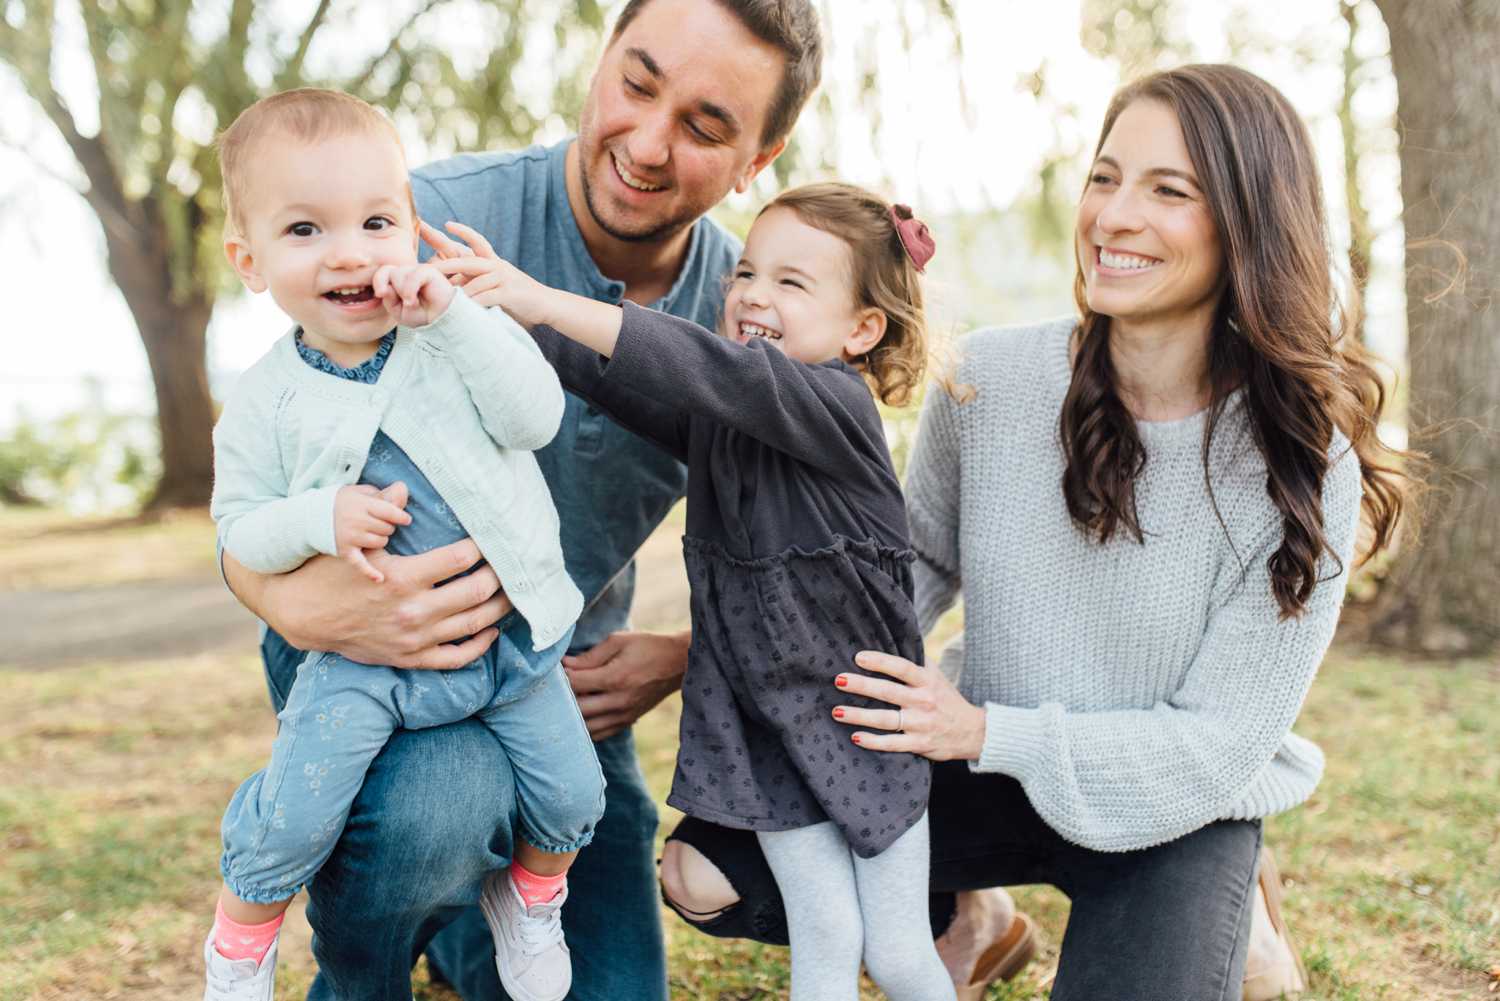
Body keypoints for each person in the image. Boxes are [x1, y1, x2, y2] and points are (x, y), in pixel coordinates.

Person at [659, 63, 1413, 1001]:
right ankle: (967, 914)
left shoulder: (1307, 459)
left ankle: (1237, 913)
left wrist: (984, 727)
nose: (1113, 215)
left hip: (1172, 805)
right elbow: (905, 567)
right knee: (709, 871)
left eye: (1167, 190)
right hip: (981, 763)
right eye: (1105, 177)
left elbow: (1219, 743)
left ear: (1249, 222)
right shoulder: (990, 381)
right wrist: (723, 654)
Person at [212, 3, 919, 999]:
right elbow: (267, 444)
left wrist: (681, 658)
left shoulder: (753, 310)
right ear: (601, 61)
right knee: (429, 816)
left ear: (761, 155)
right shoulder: (404, 215)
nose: (647, 140)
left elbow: (829, 547)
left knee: (610, 984)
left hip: (561, 686)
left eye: (706, 125)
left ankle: (465, 932)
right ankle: (374, 949)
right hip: (376, 659)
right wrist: (289, 599)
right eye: (637, 82)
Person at [429, 182, 957, 1001]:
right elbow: (630, 378)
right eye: (746, 271)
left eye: (791, 281)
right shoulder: (729, 415)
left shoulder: (833, 404)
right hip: (770, 728)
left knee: (893, 950)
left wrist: (546, 298)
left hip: (865, 724)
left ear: (862, 329)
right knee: (824, 932)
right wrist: (511, 313)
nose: (752, 293)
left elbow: (703, 365)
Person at [203, 89, 604, 1001]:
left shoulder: (450, 336)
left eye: (377, 222)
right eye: (304, 230)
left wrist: (459, 319)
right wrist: (321, 518)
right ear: (249, 260)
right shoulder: (267, 400)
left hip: (510, 643)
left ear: (413, 230)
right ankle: (242, 935)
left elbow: (535, 417)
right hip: (360, 657)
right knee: (300, 812)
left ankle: (530, 903)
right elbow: (240, 527)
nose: (350, 251)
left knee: (576, 796)